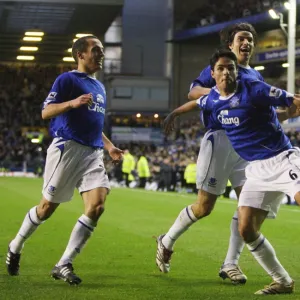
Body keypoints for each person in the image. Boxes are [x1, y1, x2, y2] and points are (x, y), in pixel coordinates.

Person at [155, 23, 293, 284]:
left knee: (247, 207)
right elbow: (194, 92)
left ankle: (230, 263)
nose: (247, 44)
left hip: (248, 146)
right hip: (219, 139)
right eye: (242, 39)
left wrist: (285, 115)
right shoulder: (223, 67)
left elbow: (262, 114)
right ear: (231, 44)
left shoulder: (254, 77)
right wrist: (223, 94)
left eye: (251, 39)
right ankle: (167, 240)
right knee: (204, 207)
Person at [6, 35, 124, 285]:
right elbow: (46, 111)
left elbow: (93, 124)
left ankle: (64, 263)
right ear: (80, 54)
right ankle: (15, 246)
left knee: (97, 207)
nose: (101, 54)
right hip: (67, 149)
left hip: (93, 153)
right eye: (96, 50)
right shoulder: (67, 79)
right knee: (46, 209)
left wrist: (110, 146)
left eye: (102, 49)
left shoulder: (99, 87)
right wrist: (71, 103)